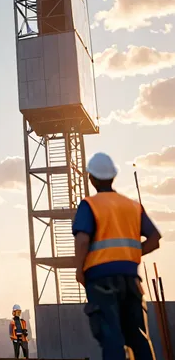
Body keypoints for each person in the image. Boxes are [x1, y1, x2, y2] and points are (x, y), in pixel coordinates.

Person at [73, 152, 161, 360]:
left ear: (91, 178)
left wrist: (79, 269)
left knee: (111, 336)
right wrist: (131, 254)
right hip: (131, 280)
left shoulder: (90, 205)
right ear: (113, 177)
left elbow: (83, 239)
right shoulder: (132, 206)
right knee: (138, 337)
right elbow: (154, 238)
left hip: (100, 280)